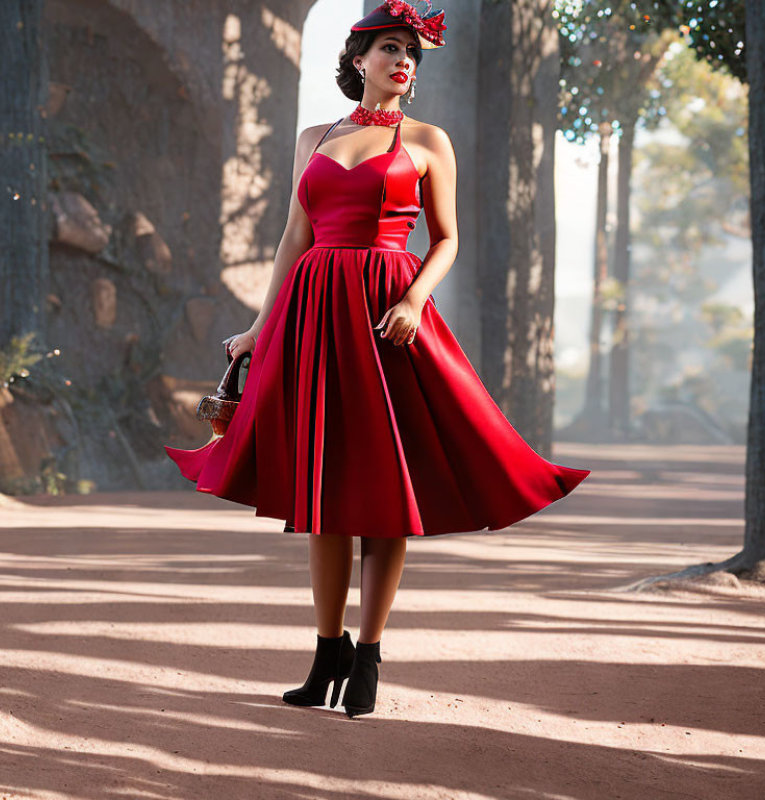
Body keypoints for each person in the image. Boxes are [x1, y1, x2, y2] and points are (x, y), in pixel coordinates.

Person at [165, 1, 590, 718]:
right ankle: (325, 654)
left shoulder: (428, 141)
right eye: (391, 48)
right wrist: (259, 327)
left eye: (413, 54)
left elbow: (446, 239)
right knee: (321, 495)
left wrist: (416, 300)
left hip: (385, 317)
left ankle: (367, 659)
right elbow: (293, 237)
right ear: (358, 59)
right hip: (312, 313)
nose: (404, 61)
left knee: (384, 492)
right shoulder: (313, 138)